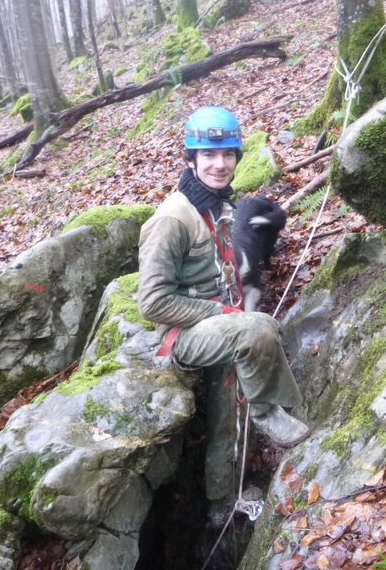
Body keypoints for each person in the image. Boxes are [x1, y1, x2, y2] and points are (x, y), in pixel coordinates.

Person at [137, 106, 309, 507]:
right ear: (191, 159)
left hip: (219, 328)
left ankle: (223, 505)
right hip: (184, 335)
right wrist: (229, 316)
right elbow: (153, 302)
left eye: (228, 155)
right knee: (258, 329)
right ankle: (269, 413)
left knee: (228, 418)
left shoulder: (218, 205)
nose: (219, 164)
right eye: (209, 156)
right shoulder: (172, 219)